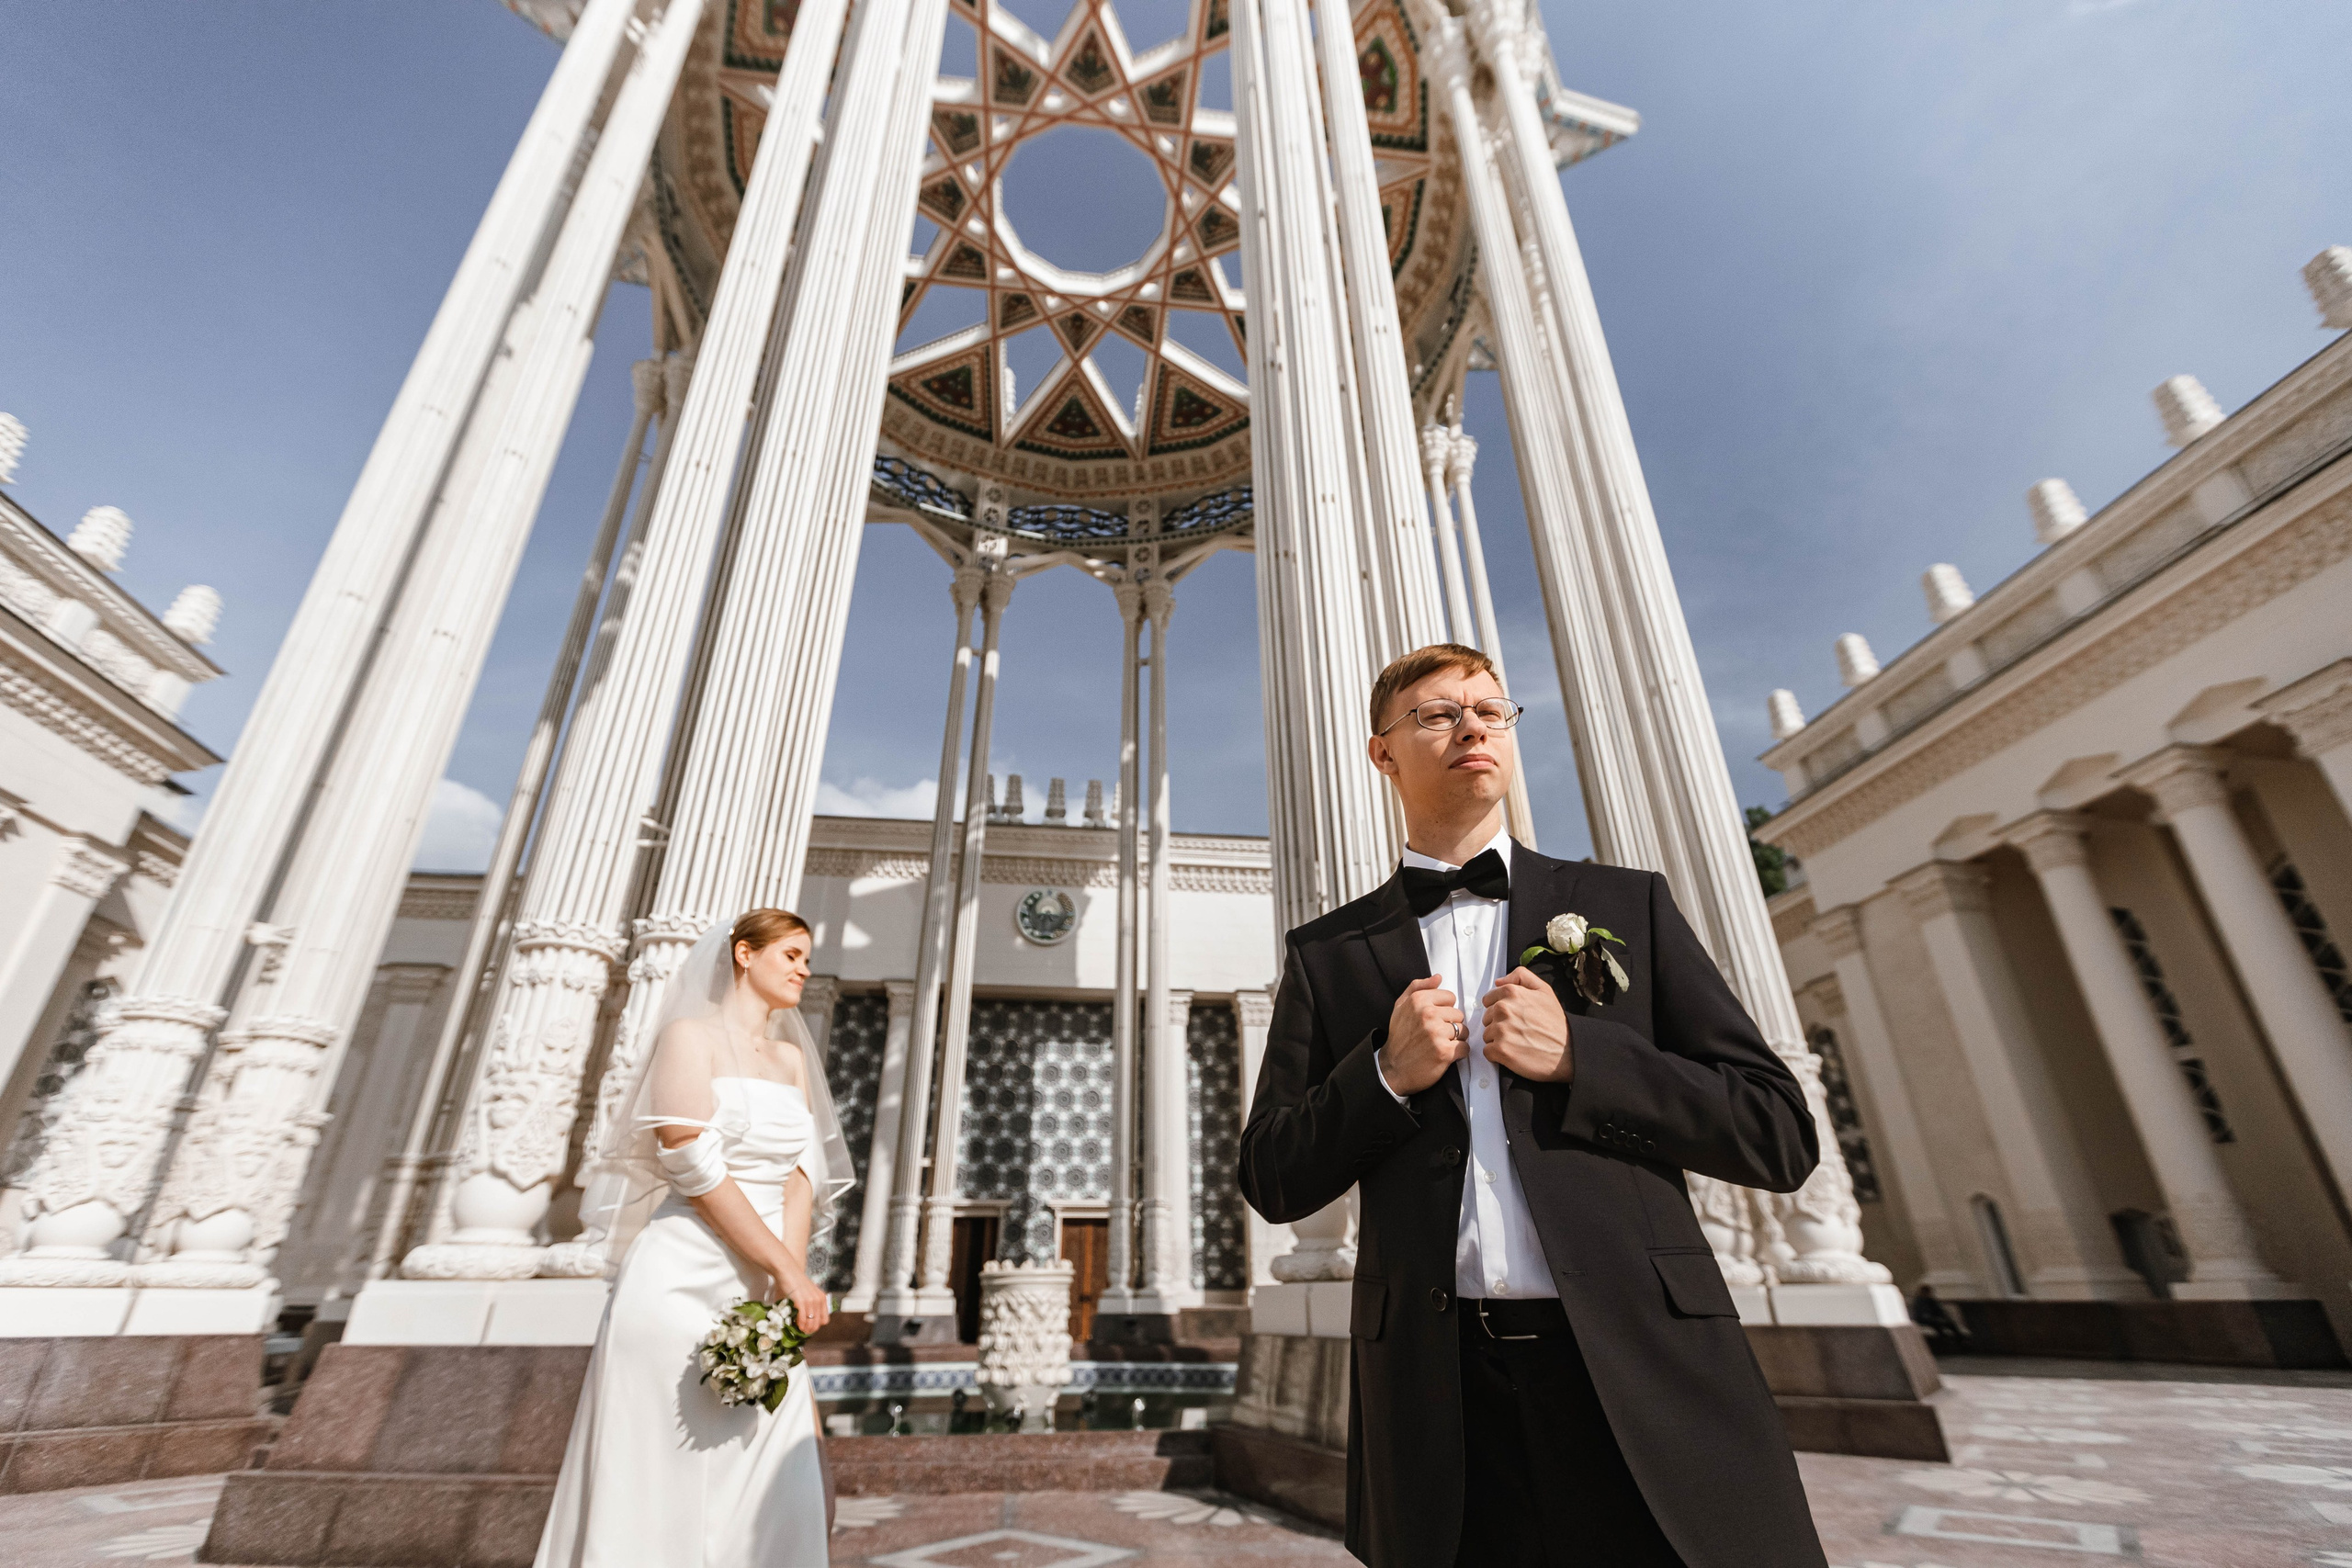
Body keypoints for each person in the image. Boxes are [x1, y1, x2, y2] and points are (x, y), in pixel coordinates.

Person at [1238, 644, 1829, 1568]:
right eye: (1437, 714)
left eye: (1491, 710)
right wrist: (1382, 1076)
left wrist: (1583, 1059)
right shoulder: (1329, 953)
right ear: (1382, 752)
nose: (1472, 727)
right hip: (1440, 1398)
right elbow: (1272, 1176)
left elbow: (1776, 1130)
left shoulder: (1624, 904)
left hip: (1640, 1363)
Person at [536, 908, 854, 1568]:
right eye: (791, 955)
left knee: (777, 1468)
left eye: (807, 958)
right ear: (745, 953)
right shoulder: (688, 1037)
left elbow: (801, 1179)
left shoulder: (792, 1058)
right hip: (680, 1276)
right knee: (662, 1462)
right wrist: (785, 1269)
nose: (804, 969)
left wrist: (786, 1287)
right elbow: (694, 1166)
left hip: (766, 1284)